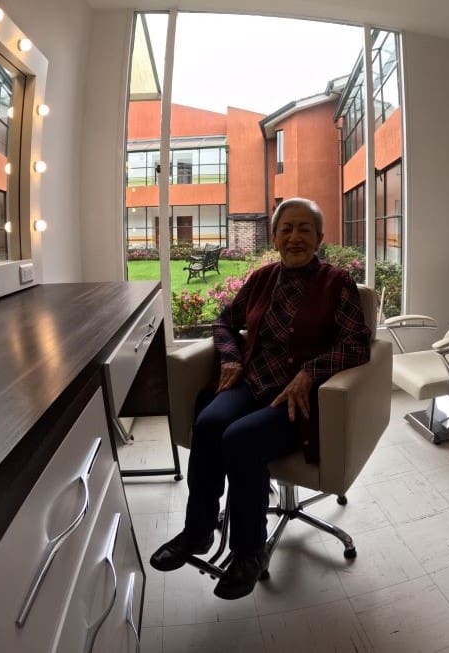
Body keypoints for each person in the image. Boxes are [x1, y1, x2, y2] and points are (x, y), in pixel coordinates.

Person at [150, 197, 371, 600]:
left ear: (320, 238)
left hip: (297, 400)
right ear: (274, 237)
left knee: (241, 439)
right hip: (252, 382)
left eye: (304, 229)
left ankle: (249, 552)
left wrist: (310, 372)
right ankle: (198, 531)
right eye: (286, 229)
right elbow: (224, 322)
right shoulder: (263, 278)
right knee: (209, 423)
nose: (294, 237)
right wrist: (231, 358)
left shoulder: (336, 283)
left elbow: (357, 344)